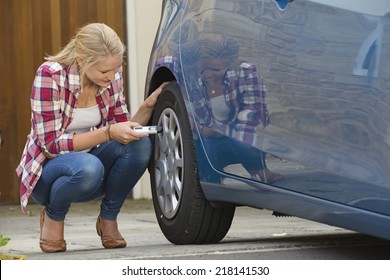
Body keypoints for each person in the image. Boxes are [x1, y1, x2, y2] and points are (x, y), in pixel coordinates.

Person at [16, 23, 166, 253]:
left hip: (91, 171)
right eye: (105, 72)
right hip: (48, 173)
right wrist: (106, 133)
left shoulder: (111, 78)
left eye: (116, 69)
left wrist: (148, 106)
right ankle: (53, 215)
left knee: (139, 145)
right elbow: (51, 144)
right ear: (82, 60)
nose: (112, 76)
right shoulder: (50, 75)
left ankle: (108, 218)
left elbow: (121, 127)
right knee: (89, 166)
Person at [182, 34, 283, 183]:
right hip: (211, 141)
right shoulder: (194, 80)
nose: (208, 75)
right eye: (203, 71)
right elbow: (201, 124)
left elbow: (252, 118)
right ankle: (212, 182)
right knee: (203, 147)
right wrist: (200, 127)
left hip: (241, 137)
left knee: (246, 141)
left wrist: (209, 129)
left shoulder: (246, 73)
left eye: (215, 69)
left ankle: (259, 172)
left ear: (230, 63)